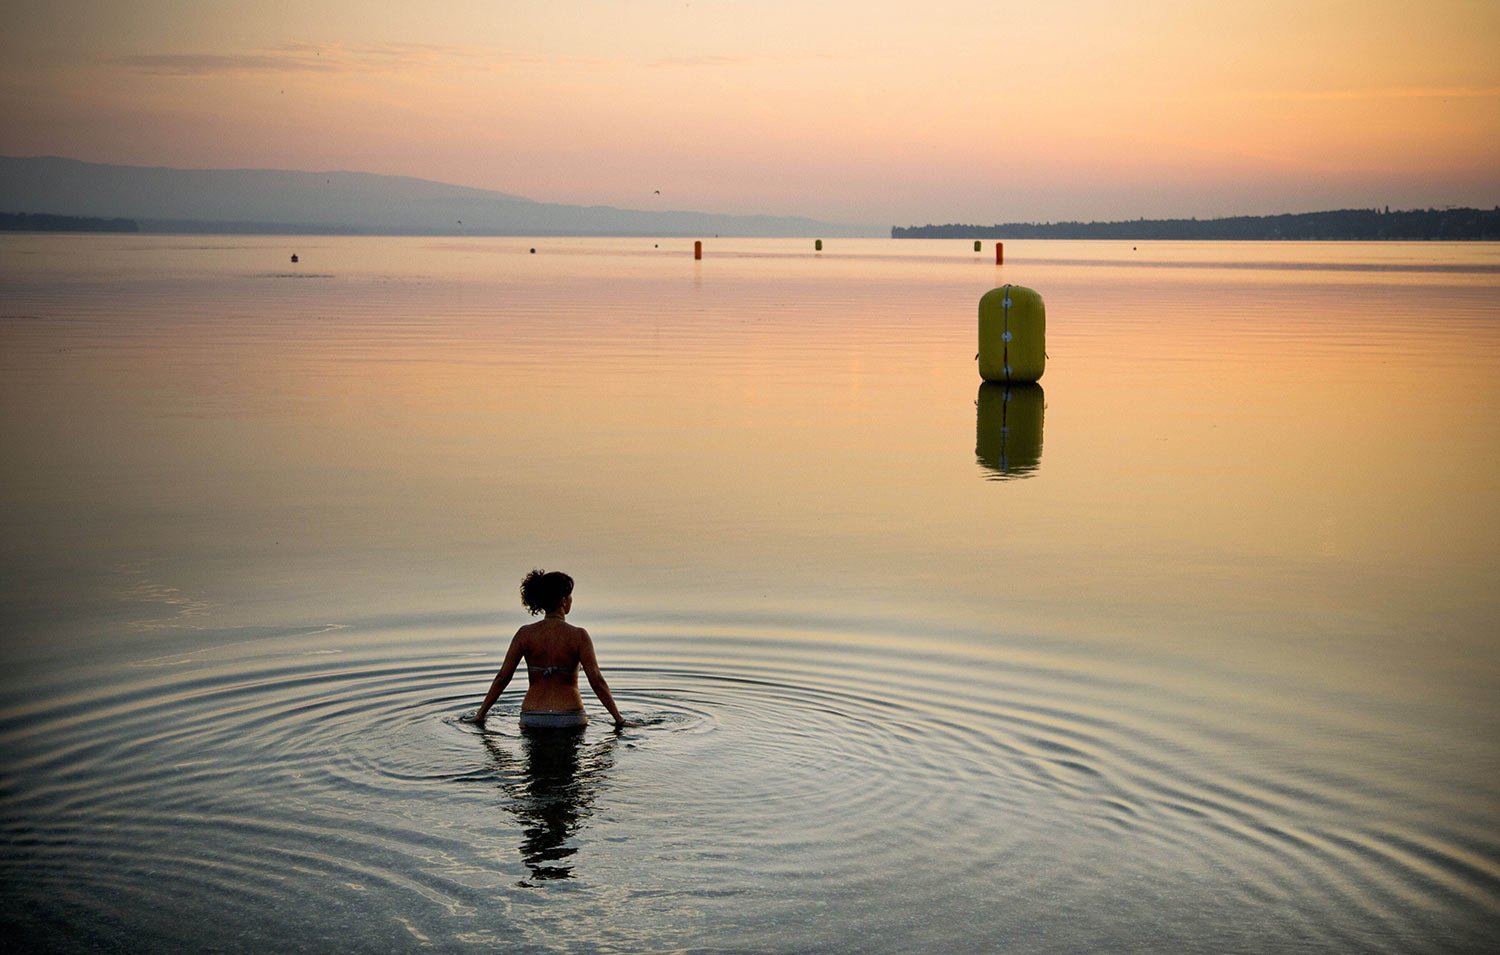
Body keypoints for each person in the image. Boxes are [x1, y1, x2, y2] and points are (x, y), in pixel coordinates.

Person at [466, 570, 627, 729]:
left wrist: (480, 715)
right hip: (570, 718)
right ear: (564, 600)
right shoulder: (579, 636)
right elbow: (597, 681)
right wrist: (619, 719)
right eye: (569, 596)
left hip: (532, 717)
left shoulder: (525, 634)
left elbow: (503, 677)